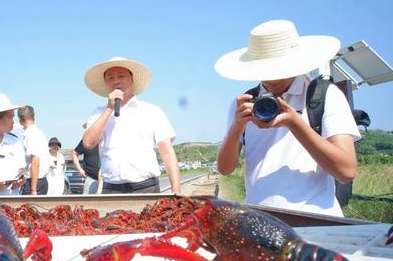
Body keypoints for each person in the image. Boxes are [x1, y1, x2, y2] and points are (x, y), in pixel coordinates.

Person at [215, 20, 360, 216]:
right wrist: (236, 128)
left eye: (277, 68)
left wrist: (294, 122)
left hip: (316, 221)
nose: (271, 77)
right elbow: (224, 169)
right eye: (263, 69)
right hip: (261, 220)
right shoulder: (244, 103)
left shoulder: (323, 95)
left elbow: (346, 171)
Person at [82, 56, 182, 194]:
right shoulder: (98, 113)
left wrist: (176, 192)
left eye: (121, 76)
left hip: (146, 188)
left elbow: (167, 153)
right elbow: (88, 143)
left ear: (132, 79)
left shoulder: (151, 111)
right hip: (111, 189)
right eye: (110, 77)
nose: (116, 81)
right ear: (105, 83)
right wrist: (109, 109)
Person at [17, 105, 50, 195]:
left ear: (20, 120)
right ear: (34, 117)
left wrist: (33, 189)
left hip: (34, 182)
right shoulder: (37, 133)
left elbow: (35, 160)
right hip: (39, 181)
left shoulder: (31, 134)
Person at [73, 123, 103, 194]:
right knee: (88, 203)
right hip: (91, 179)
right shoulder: (84, 142)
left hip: (107, 180)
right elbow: (74, 154)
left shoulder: (106, 140)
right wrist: (79, 169)